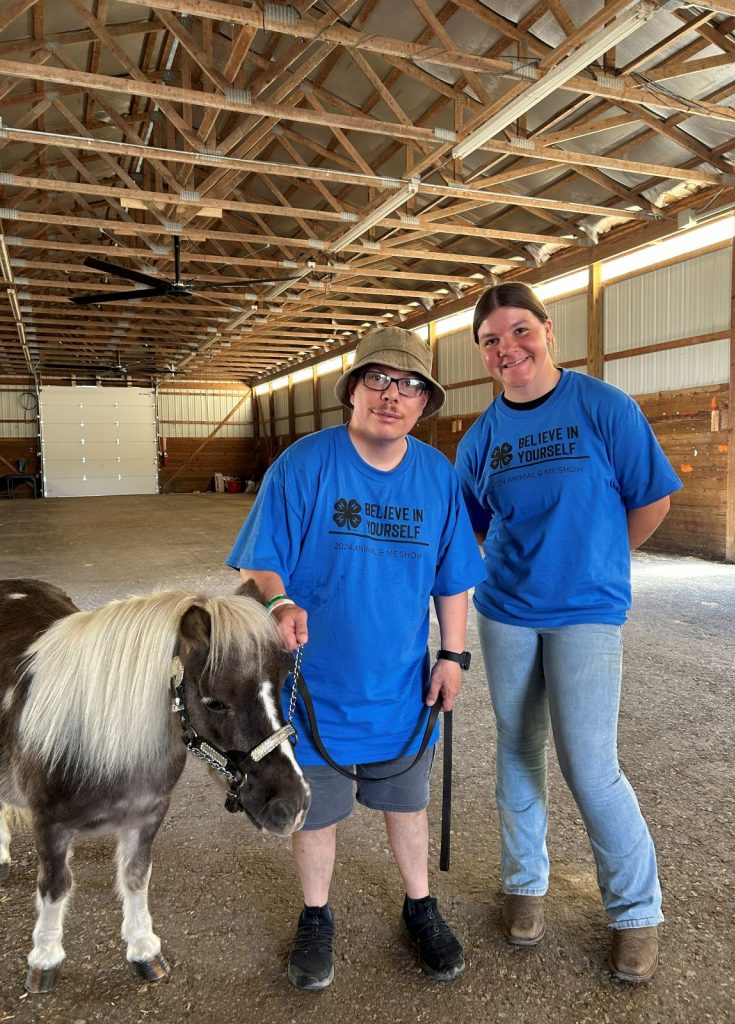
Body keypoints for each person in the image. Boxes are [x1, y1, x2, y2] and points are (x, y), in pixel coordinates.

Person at [228, 326, 485, 990]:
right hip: (313, 688)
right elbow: (261, 558)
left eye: (409, 386)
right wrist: (280, 601)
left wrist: (452, 655)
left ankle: (419, 905)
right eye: (377, 380)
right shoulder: (303, 464)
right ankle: (316, 915)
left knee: (408, 803)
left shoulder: (436, 477)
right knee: (315, 811)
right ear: (351, 390)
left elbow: (453, 577)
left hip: (401, 685)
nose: (392, 396)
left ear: (425, 403)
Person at [455, 282, 682, 984]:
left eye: (519, 331)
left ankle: (637, 911)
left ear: (548, 331)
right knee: (517, 749)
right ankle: (525, 885)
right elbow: (469, 533)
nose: (507, 348)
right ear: (483, 355)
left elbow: (651, 500)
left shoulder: (604, 408)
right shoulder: (481, 437)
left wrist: (599, 565)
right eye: (491, 340)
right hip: (507, 611)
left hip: (586, 612)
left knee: (589, 764)